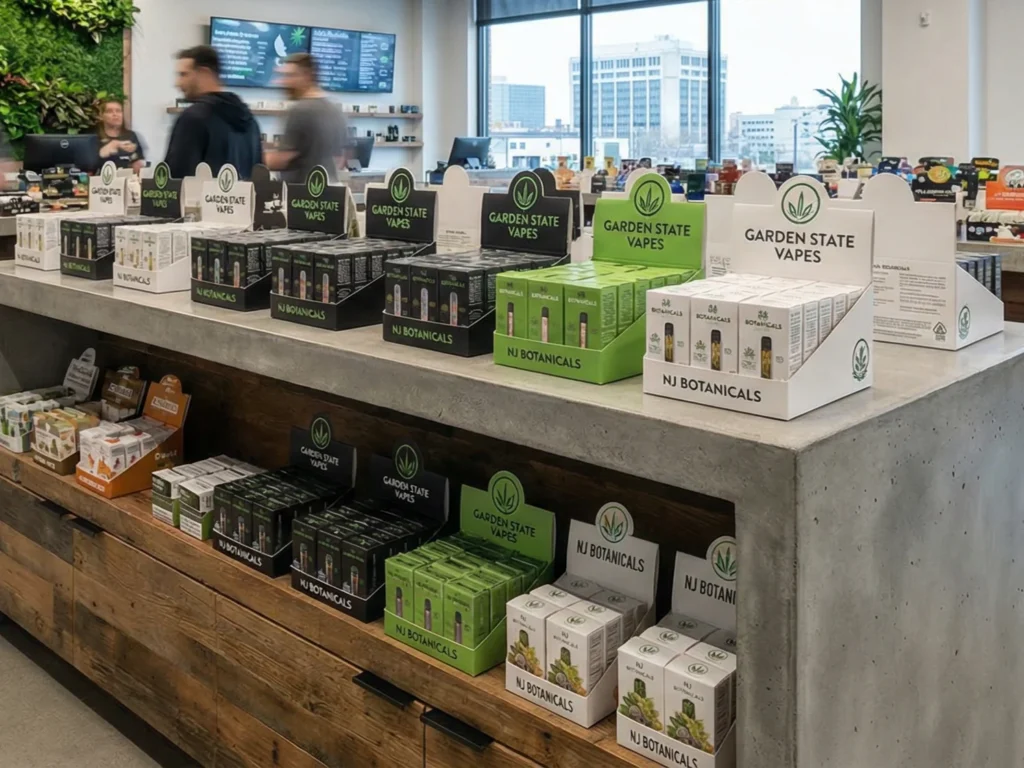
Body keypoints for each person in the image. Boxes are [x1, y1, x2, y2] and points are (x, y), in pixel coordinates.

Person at [164, 45, 262, 180]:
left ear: (204, 73)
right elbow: (260, 177)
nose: (178, 83)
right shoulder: (250, 121)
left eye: (184, 75)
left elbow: (174, 180)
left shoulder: (193, 119)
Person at [265, 53, 347, 183]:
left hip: (301, 192)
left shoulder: (299, 110)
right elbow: (340, 159)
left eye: (290, 76)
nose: (283, 82)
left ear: (307, 76)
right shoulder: (336, 110)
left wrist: (255, 157)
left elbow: (282, 159)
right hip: (329, 190)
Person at [96, 99, 145, 172]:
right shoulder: (94, 137)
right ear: (101, 116)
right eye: (109, 111)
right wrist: (114, 144)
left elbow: (137, 160)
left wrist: (138, 165)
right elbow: (92, 162)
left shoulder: (131, 136)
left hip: (128, 177)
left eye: (118, 111)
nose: (115, 114)